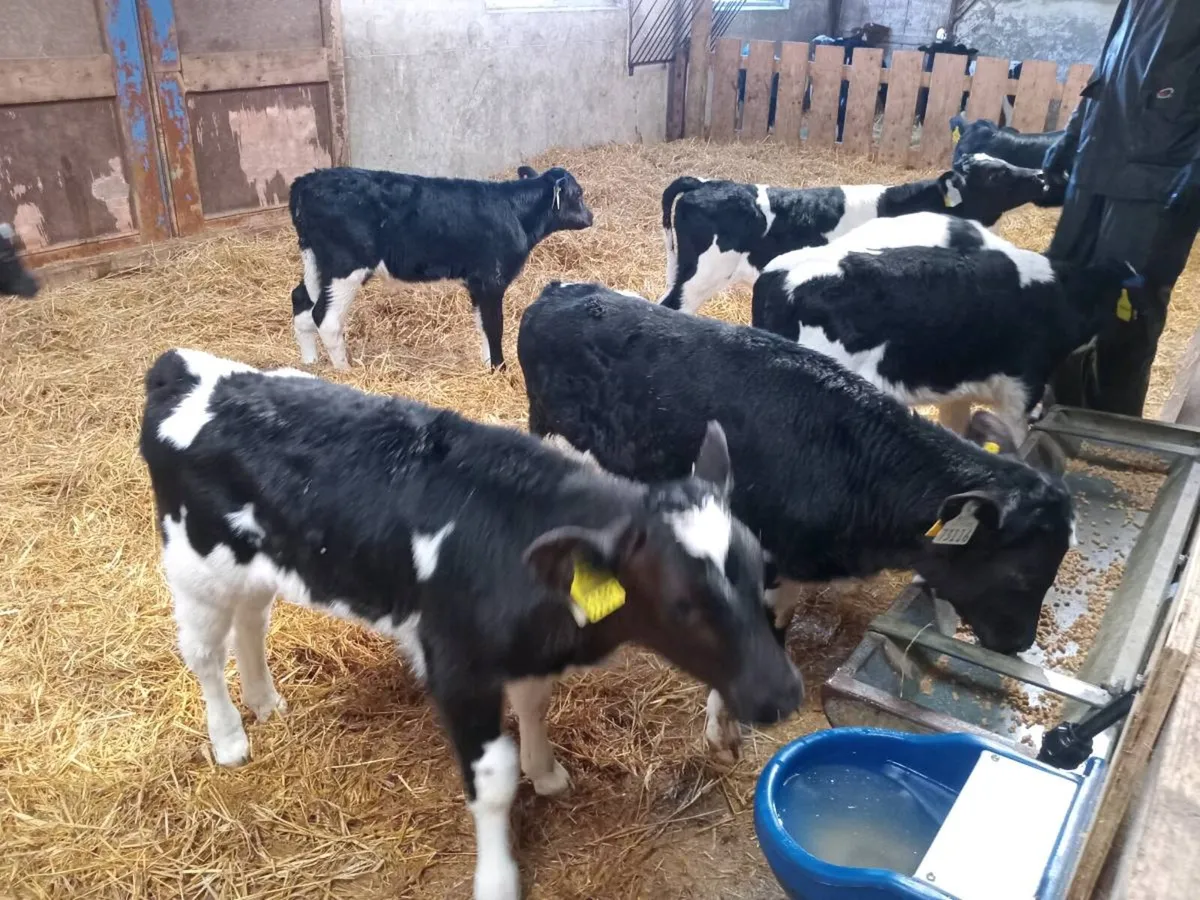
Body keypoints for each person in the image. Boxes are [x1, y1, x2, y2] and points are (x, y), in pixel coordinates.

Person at [1043, 0, 1200, 417]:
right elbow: (1109, 67)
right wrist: (1074, 133)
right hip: (1096, 162)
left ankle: (1112, 435)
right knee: (1061, 292)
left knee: (1126, 312)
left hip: (1158, 177)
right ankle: (1057, 425)